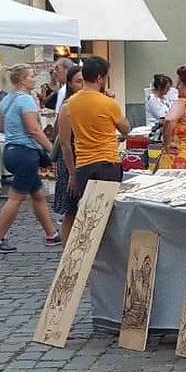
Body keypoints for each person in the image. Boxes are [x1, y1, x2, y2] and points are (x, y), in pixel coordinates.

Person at [0, 65, 60, 253]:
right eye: (32, 76)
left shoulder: (6, 100)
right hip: (25, 153)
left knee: (38, 194)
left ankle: (51, 234)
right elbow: (34, 129)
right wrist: (52, 149)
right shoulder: (27, 100)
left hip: (10, 151)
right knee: (16, 197)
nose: (35, 78)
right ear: (22, 80)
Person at [58, 56, 128, 238]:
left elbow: (65, 143)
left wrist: (72, 173)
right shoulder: (108, 103)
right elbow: (125, 129)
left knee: (88, 215)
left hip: (83, 165)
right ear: (99, 78)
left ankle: (85, 248)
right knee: (108, 215)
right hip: (108, 162)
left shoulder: (68, 105)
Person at [52, 65, 84, 221]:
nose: (83, 85)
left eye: (85, 81)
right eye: (79, 81)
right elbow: (63, 141)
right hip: (70, 158)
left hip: (85, 158)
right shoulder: (67, 105)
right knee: (70, 211)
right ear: (70, 84)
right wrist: (72, 173)